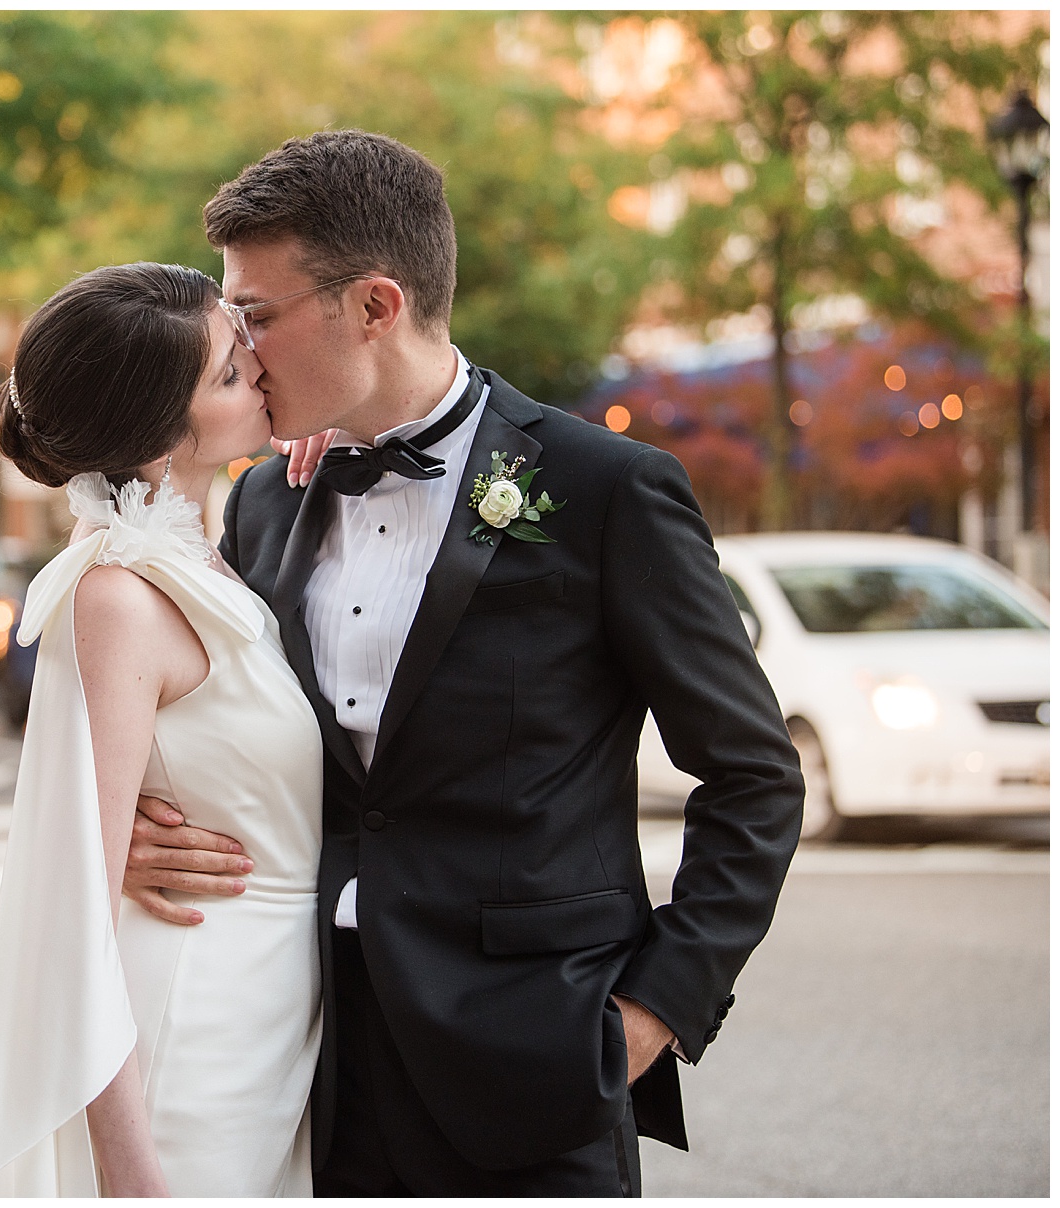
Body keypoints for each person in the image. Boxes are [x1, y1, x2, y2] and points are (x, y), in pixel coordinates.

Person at [122, 130, 805, 1195]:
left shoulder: (606, 491)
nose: (240, 349)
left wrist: (651, 1013)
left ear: (375, 307)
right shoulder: (265, 496)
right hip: (300, 1059)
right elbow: (221, 729)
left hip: (536, 1062)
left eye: (255, 315)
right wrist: (131, 828)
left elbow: (754, 774)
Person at [0, 262, 325, 1196]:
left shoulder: (209, 552)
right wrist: (131, 1174)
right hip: (192, 1037)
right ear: (162, 437)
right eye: (229, 372)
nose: (258, 366)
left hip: (272, 1024)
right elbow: (73, 909)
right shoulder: (118, 591)